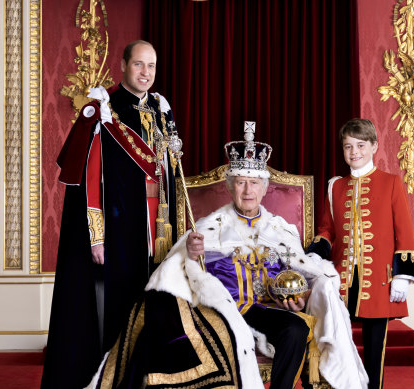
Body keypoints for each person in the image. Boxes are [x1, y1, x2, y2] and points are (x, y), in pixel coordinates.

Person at [87, 123, 368, 389]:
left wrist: (300, 297)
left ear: (264, 188)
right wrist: (192, 255)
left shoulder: (281, 229)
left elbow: (302, 272)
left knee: (295, 330)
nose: (248, 191)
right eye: (241, 183)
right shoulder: (209, 227)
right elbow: (182, 271)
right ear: (231, 186)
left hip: (264, 309)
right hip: (222, 310)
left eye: (254, 183)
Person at [42, 40, 181, 389]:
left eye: (150, 65)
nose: (145, 72)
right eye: (138, 64)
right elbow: (90, 179)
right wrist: (97, 235)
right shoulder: (104, 109)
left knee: (156, 301)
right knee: (122, 306)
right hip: (120, 225)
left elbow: (171, 174)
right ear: (122, 65)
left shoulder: (162, 110)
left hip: (158, 222)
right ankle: (114, 378)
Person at [307, 118, 414, 389]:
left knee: (375, 347)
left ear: (374, 146)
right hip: (342, 278)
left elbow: (404, 231)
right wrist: (315, 253)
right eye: (348, 146)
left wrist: (403, 276)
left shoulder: (391, 182)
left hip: (379, 279)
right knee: (338, 344)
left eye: (360, 145)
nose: (354, 152)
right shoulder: (335, 186)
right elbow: (326, 229)